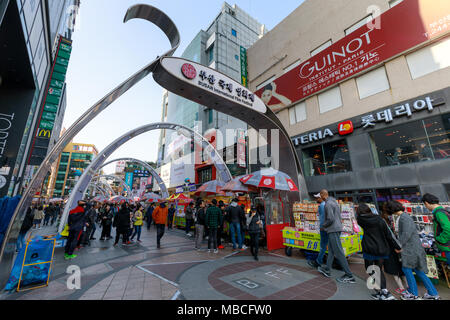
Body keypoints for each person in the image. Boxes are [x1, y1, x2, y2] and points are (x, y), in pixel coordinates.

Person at [385, 200, 440, 300]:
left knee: (407, 269)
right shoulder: (405, 216)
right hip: (414, 248)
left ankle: (413, 293)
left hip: (410, 249)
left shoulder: (403, 218)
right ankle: (433, 293)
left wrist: (398, 246)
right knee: (418, 271)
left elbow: (406, 234)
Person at [356, 203, 399, 300]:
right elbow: (389, 235)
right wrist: (397, 246)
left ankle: (383, 292)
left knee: (369, 268)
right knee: (378, 270)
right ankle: (383, 291)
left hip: (369, 248)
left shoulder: (361, 220)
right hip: (382, 248)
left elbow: (359, 220)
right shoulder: (380, 219)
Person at [317, 190, 356, 284]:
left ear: (323, 195)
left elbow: (330, 218)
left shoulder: (328, 204)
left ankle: (349, 275)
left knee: (338, 252)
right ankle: (327, 269)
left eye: (320, 195)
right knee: (331, 250)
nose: (319, 198)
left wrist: (323, 226)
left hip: (332, 229)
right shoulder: (334, 202)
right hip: (336, 229)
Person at [380, 207, 408, 295]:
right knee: (401, 270)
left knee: (394, 272)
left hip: (389, 251)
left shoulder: (383, 226)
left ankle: (401, 288)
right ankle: (407, 286)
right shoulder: (393, 223)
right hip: (396, 249)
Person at [422, 193, 450, 266]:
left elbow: (448, 228)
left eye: (425, 205)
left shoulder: (439, 213)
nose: (426, 207)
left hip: (448, 246)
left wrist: (440, 239)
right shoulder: (440, 211)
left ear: (426, 203)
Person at [308, 193, 328, 269]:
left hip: (324, 229)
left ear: (321, 198)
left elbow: (323, 218)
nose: (316, 199)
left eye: (318, 198)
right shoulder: (327, 204)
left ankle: (318, 262)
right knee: (330, 248)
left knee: (323, 246)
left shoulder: (322, 206)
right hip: (329, 228)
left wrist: (322, 227)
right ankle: (323, 263)